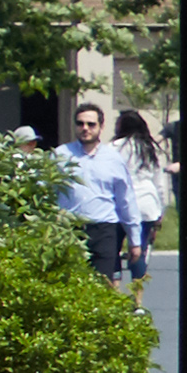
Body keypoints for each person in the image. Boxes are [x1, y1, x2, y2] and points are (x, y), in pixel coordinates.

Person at [49, 110, 130, 283]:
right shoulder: (60, 155)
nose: (85, 128)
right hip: (70, 228)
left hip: (104, 228)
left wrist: (134, 238)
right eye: (80, 123)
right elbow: (45, 188)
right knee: (71, 283)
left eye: (91, 124)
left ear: (101, 126)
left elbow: (125, 200)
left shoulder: (113, 159)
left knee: (102, 283)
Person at [109, 113, 165, 286]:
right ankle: (137, 300)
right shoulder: (150, 148)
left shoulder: (112, 148)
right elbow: (159, 183)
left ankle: (115, 294)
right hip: (146, 204)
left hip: (119, 204)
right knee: (138, 251)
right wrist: (160, 210)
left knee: (113, 250)